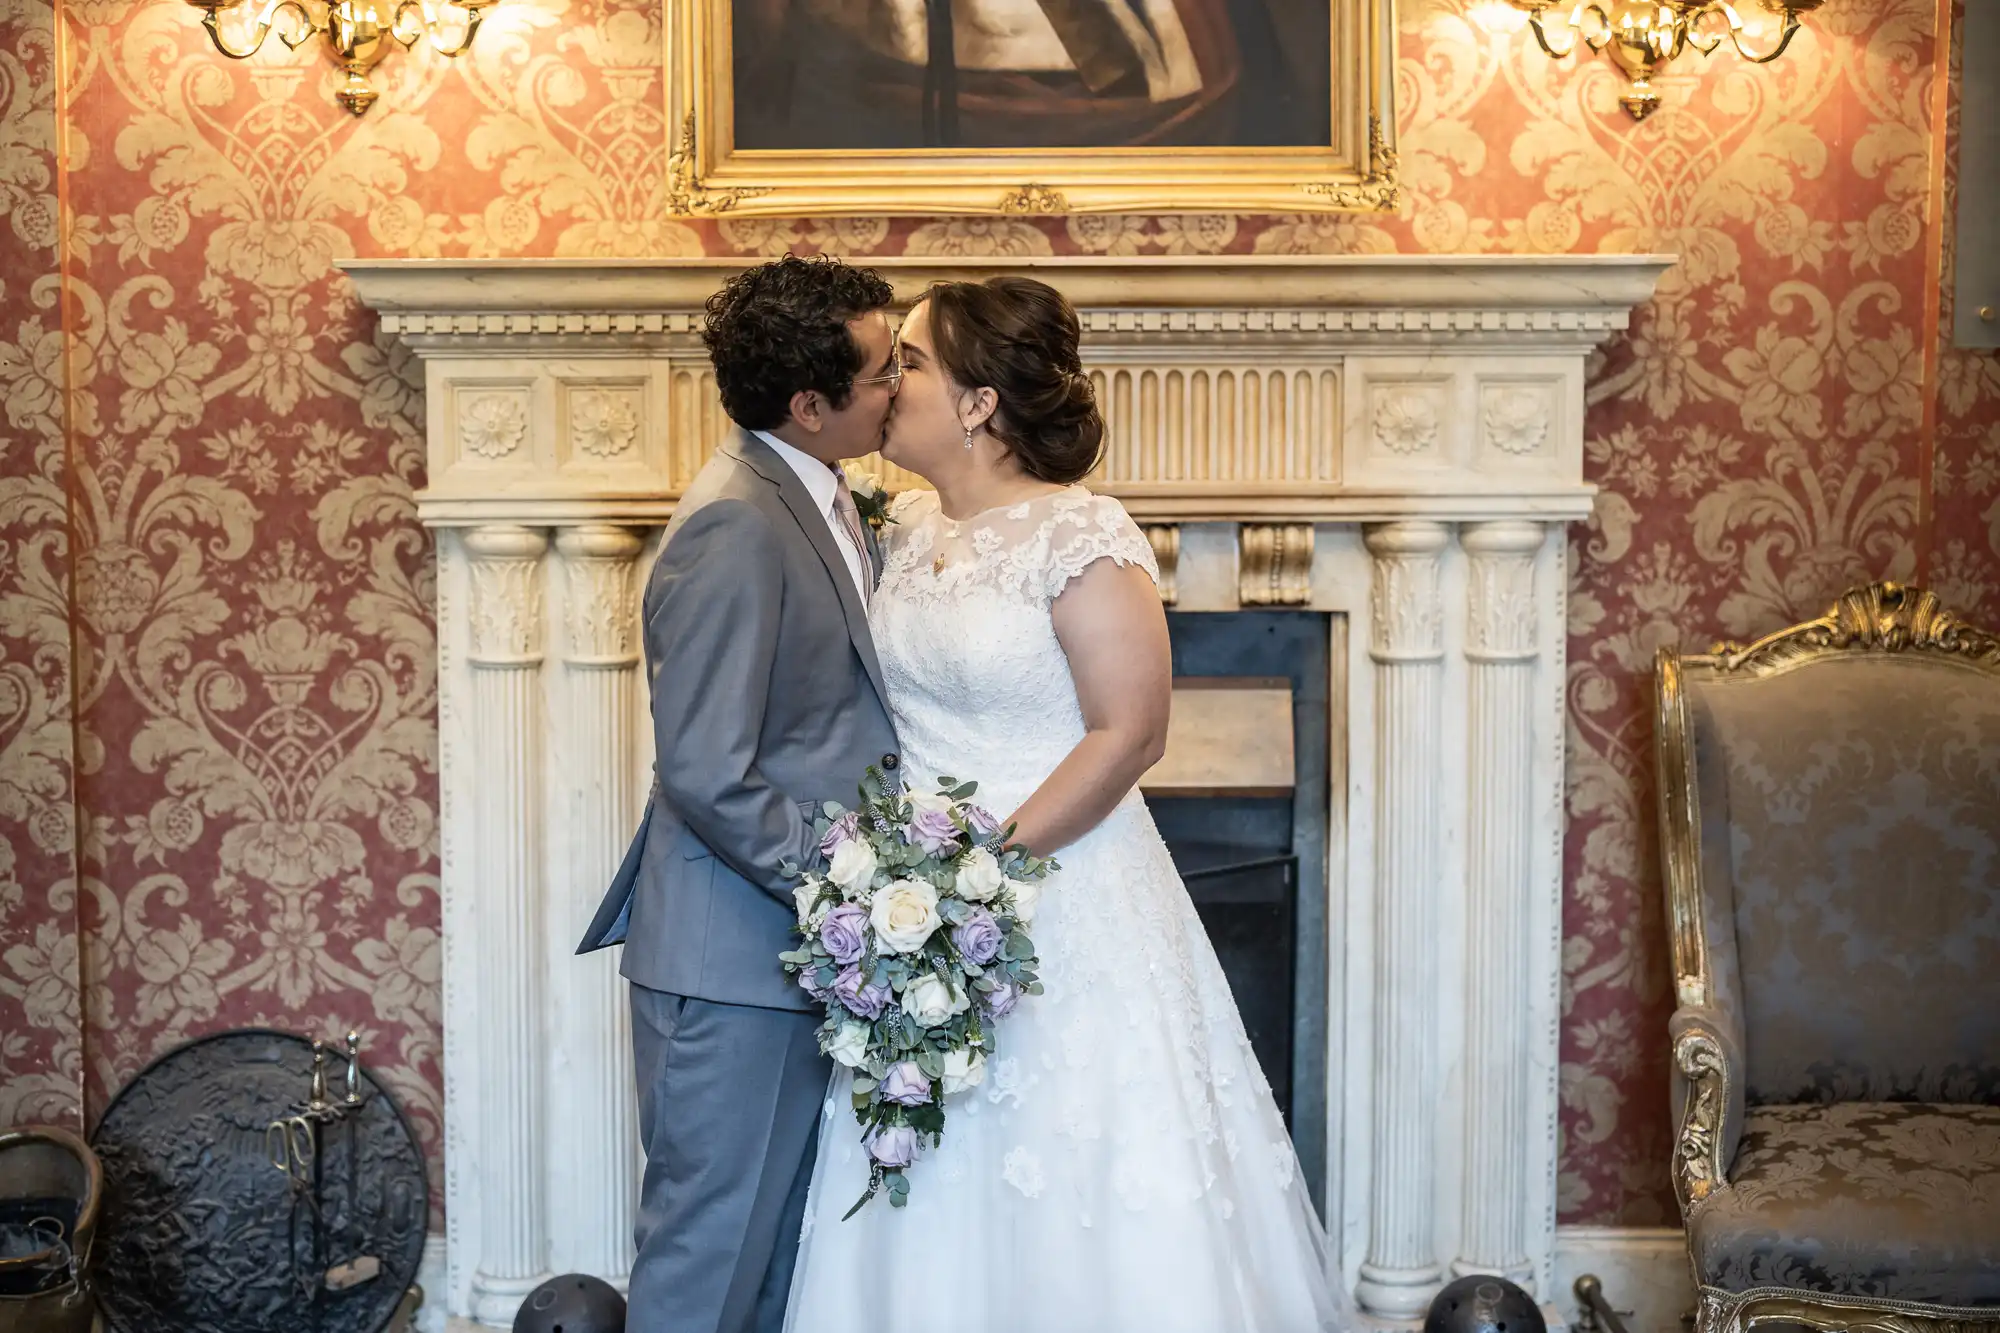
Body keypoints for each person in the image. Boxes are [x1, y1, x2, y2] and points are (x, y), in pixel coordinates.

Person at [782, 276, 1340, 1330]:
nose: (884, 382)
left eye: (909, 361)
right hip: (911, 902)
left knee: (1090, 1170)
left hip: (1062, 888)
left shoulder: (1079, 535)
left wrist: (974, 876)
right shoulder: (895, 527)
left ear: (979, 401)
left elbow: (1128, 731)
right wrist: (906, 890)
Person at [575, 255, 905, 1333]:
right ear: (809, 405)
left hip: (780, 955)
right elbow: (709, 767)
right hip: (732, 965)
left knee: (772, 1270)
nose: (901, 383)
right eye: (883, 370)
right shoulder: (734, 522)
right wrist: (855, 898)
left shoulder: (816, 493)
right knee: (706, 1267)